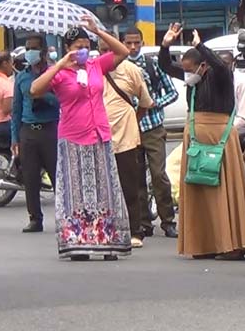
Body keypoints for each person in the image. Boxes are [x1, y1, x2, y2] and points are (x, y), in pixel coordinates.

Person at [30, 17, 132, 261]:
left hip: (99, 135)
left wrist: (98, 31)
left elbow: (123, 52)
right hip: (73, 138)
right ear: (68, 48)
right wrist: (60, 64)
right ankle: (79, 242)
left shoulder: (96, 65)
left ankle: (107, 241)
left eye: (86, 46)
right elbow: (35, 89)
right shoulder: (60, 73)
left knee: (105, 191)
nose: (83, 50)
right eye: (78, 47)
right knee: (76, 194)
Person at [159, 23, 245, 260]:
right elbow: (165, 66)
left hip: (219, 137)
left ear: (203, 66)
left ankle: (231, 244)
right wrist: (165, 45)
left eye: (190, 69)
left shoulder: (221, 76)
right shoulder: (193, 79)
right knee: (199, 192)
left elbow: (220, 65)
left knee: (223, 190)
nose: (187, 74)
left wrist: (200, 46)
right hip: (196, 136)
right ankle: (205, 244)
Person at [123, 27, 180, 238]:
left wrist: (155, 103)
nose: (133, 47)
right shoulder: (118, 66)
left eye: (136, 43)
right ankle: (143, 222)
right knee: (135, 177)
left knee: (158, 175)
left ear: (142, 43)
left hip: (153, 127)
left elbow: (172, 92)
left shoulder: (152, 64)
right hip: (130, 128)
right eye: (128, 43)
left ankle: (168, 221)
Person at [100, 37, 155, 249]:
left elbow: (145, 102)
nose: (107, 54)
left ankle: (135, 231)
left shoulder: (131, 70)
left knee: (130, 185)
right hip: (98, 137)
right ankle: (107, 229)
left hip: (125, 137)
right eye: (102, 50)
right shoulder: (92, 70)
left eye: (110, 49)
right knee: (102, 187)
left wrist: (133, 119)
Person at [11, 35, 60, 233]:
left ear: (44, 51)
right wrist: (15, 138)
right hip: (28, 131)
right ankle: (34, 218)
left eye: (34, 48)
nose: (30, 52)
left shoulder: (55, 73)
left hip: (50, 130)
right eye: (28, 48)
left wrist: (44, 96)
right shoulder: (22, 77)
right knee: (30, 177)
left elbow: (62, 101)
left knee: (58, 177)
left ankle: (63, 217)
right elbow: (16, 110)